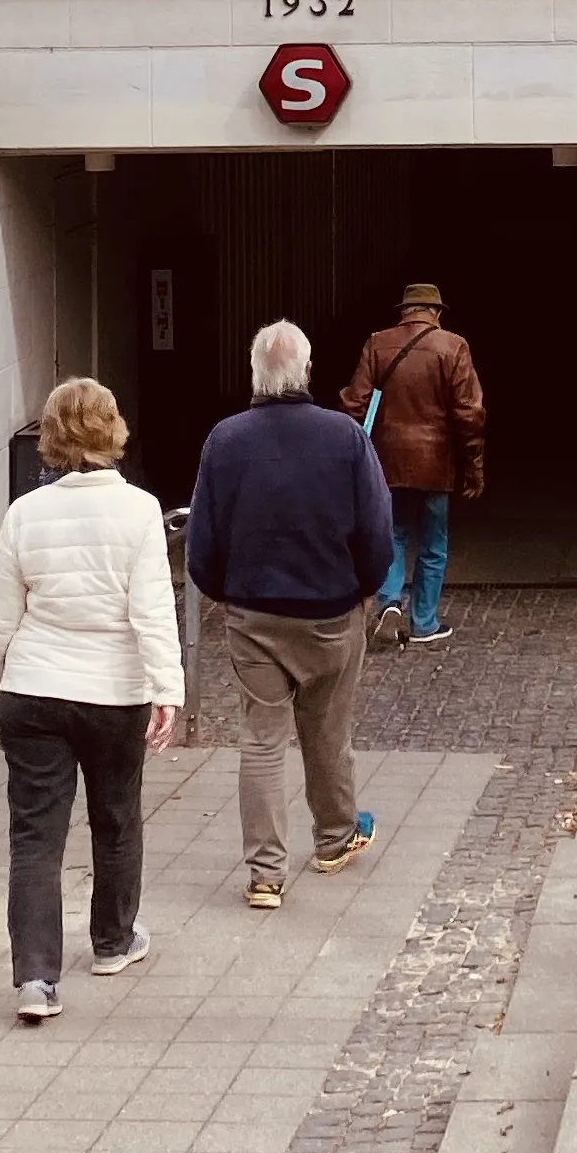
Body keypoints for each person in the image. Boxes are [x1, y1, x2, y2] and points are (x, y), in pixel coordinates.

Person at [0, 375, 181, 1023]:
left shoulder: (25, 514)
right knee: (116, 817)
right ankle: (114, 942)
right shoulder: (140, 511)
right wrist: (167, 689)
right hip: (113, 692)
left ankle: (36, 979)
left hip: (34, 690)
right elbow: (152, 609)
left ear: (52, 437)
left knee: (35, 836)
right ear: (113, 430)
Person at [185, 319, 393, 907]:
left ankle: (266, 874)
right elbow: (377, 533)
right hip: (331, 612)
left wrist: (228, 592)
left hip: (253, 615)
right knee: (328, 732)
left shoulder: (224, 441)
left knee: (261, 740)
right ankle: (334, 839)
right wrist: (361, 590)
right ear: (307, 371)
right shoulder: (345, 438)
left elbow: (202, 542)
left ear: (255, 374)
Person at [342, 280, 485, 650]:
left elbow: (355, 404)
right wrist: (474, 466)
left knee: (392, 534)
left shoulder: (377, 343)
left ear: (404, 312)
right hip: (437, 464)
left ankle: (390, 604)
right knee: (433, 543)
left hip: (387, 462)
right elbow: (469, 414)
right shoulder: (453, 346)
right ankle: (424, 622)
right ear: (436, 313)